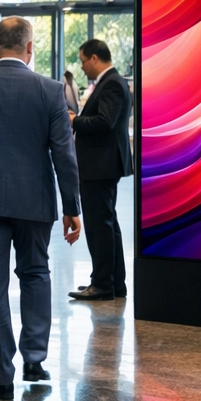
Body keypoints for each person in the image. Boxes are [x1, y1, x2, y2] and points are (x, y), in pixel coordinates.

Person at [0, 16, 81, 400]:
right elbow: (63, 153)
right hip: (34, 197)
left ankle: (1, 376)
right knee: (36, 272)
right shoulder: (50, 89)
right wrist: (72, 206)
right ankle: (34, 359)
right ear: (30, 48)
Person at [69, 39, 133, 301]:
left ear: (95, 58)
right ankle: (113, 282)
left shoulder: (113, 84)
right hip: (101, 164)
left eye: (84, 60)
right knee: (107, 223)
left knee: (100, 225)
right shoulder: (111, 83)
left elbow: (105, 121)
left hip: (101, 165)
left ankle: (103, 284)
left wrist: (76, 120)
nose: (82, 67)